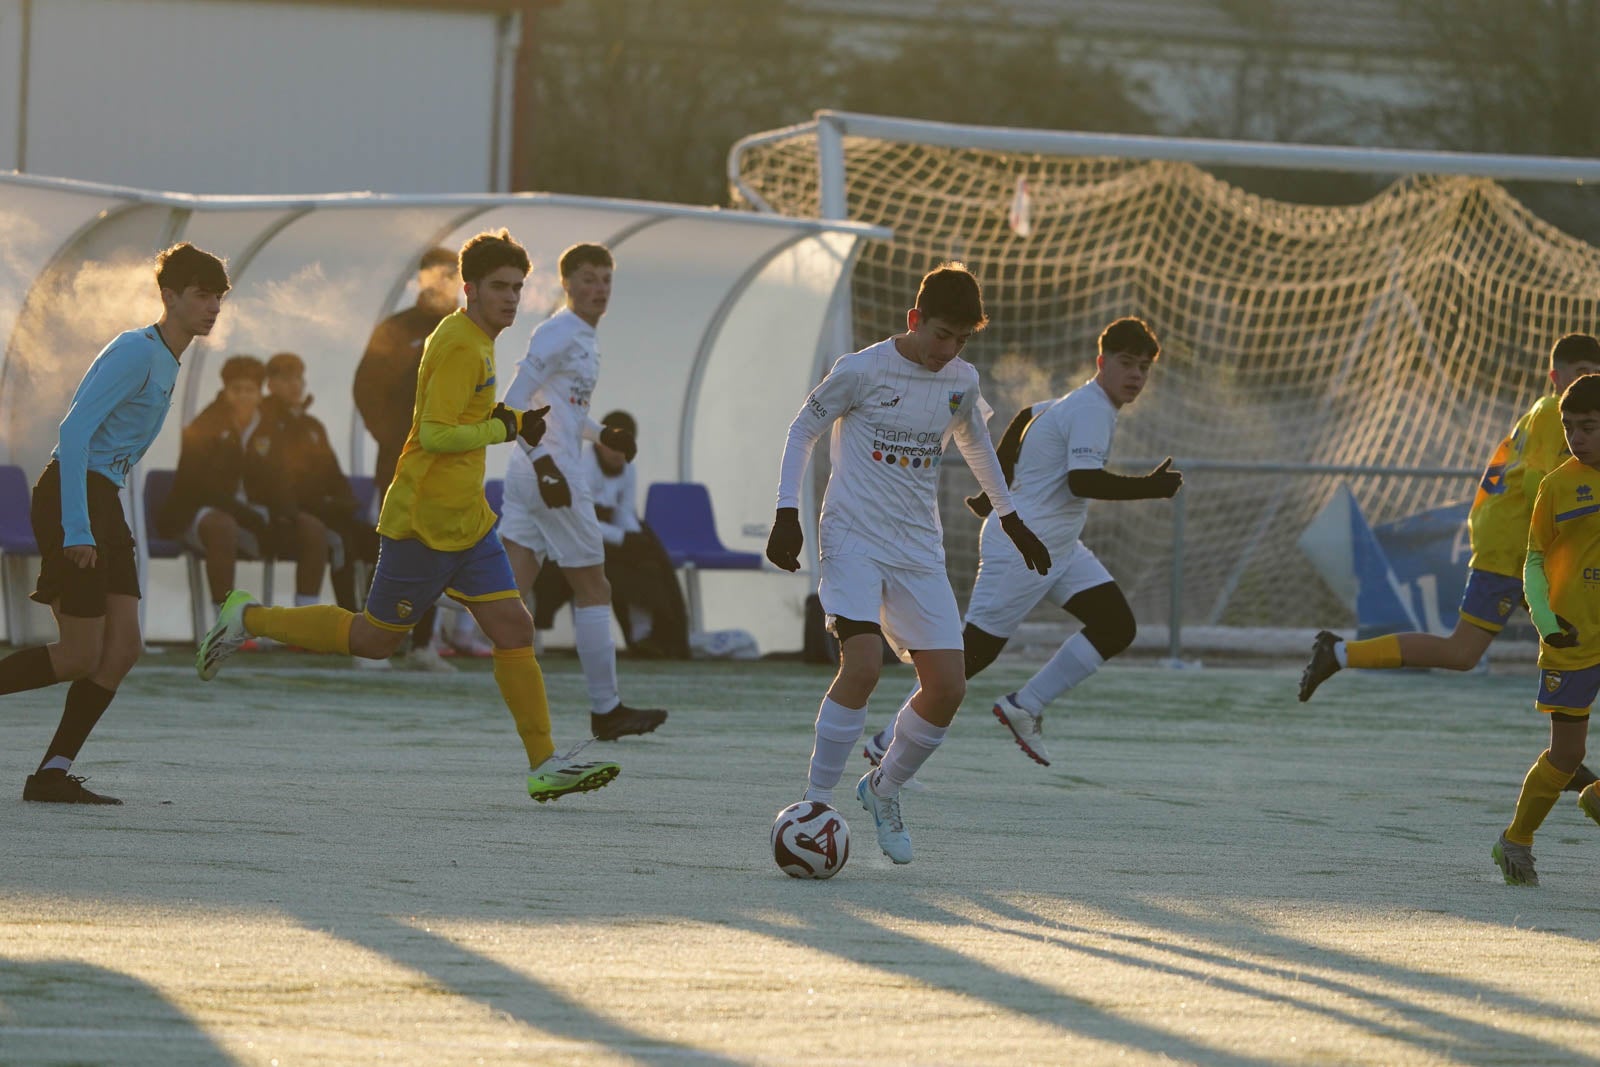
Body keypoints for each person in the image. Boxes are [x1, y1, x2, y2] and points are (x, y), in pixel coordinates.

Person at [195, 229, 619, 803]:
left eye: (519, 287)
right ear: (468, 288)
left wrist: (508, 420)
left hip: (467, 521)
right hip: (422, 522)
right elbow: (438, 434)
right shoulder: (461, 343)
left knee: (514, 627)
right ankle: (249, 618)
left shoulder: (477, 338)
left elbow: (459, 416)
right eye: (499, 287)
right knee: (373, 641)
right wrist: (509, 426)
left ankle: (544, 763)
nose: (511, 298)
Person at [766, 262, 1052, 864]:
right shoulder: (861, 370)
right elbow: (801, 432)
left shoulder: (961, 381)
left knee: (948, 686)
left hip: (918, 548)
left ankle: (883, 788)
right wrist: (786, 513)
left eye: (962, 340)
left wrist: (1010, 515)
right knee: (863, 664)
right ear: (914, 320)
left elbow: (974, 441)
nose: (948, 350)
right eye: (942, 334)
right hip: (852, 540)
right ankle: (816, 803)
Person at [861, 317, 1181, 769]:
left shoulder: (1073, 404)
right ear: (1101, 362)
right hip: (1024, 549)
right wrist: (1150, 487)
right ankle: (887, 742)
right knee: (970, 655)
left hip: (1060, 547)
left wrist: (994, 490)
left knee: (1115, 625)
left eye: (1144, 368)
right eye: (1127, 364)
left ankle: (1025, 705)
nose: (1136, 376)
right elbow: (1082, 479)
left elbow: (1029, 416)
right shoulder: (1090, 409)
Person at [1298, 333, 1600, 794]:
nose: (1581, 380)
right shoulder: (1551, 419)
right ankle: (1565, 759)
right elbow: (1550, 491)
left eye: (1590, 373)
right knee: (1480, 650)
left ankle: (1338, 654)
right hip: (1514, 552)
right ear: (1555, 377)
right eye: (1575, 372)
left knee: (1527, 644)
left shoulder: (1562, 416)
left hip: (1513, 545)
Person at [0, 242, 228, 803]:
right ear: (168, 296)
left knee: (122, 648)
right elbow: (73, 436)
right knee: (78, 653)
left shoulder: (167, 358)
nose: (213, 307)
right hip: (74, 498)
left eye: (219, 297)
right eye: (202, 295)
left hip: (104, 501)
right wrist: (78, 528)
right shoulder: (135, 350)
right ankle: (50, 774)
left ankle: (51, 773)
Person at [499, 243, 668, 741]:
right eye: (589, 279)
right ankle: (606, 709)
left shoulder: (582, 337)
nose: (599, 289)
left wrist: (601, 434)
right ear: (567, 283)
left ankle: (406, 604)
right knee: (594, 587)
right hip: (552, 474)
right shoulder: (556, 332)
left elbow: (560, 410)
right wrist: (545, 462)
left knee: (505, 593)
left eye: (607, 280)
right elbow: (511, 405)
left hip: (540, 470)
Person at [1491, 373, 1600, 885]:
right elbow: (1534, 560)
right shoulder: (1558, 485)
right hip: (1570, 639)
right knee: (1567, 754)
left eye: (1589, 427)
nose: (1577, 438)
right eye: (1570, 427)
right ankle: (1516, 840)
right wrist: (1546, 619)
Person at [352, 246, 459, 672]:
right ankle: (375, 642)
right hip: (398, 459)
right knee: (396, 543)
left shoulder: (465, 329)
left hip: (448, 462)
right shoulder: (396, 329)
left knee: (438, 547)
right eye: (438, 274)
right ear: (421, 279)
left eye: (453, 274)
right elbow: (365, 388)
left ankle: (423, 644)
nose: (445, 281)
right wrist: (390, 436)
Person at [158, 355, 329, 619]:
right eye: (236, 389)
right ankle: (226, 621)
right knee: (222, 526)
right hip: (200, 513)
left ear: (260, 394)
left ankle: (306, 620)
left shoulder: (270, 428)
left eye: (250, 390)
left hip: (251, 514)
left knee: (313, 528)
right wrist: (249, 517)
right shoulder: (205, 425)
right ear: (225, 391)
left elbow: (280, 479)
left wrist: (285, 516)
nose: (243, 396)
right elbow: (198, 487)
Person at [531, 410, 690, 659]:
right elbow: (579, 520)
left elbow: (624, 512)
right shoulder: (579, 467)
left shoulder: (629, 469)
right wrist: (622, 539)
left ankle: (645, 635)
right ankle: (574, 637)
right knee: (587, 566)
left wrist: (634, 540)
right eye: (614, 446)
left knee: (645, 562)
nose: (618, 454)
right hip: (565, 536)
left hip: (602, 538)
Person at [259, 351, 369, 612]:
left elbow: (334, 474)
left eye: (299, 379)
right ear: (271, 385)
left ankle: (377, 620)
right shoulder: (263, 423)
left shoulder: (312, 426)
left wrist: (346, 503)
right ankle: (345, 618)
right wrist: (298, 510)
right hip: (288, 516)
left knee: (381, 542)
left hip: (325, 512)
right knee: (340, 541)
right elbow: (269, 479)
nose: (295, 385)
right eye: (287, 379)